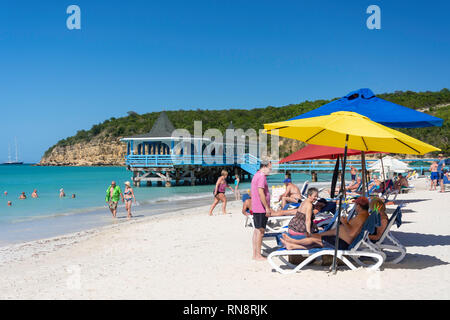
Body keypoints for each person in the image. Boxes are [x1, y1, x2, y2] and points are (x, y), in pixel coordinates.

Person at [281, 196, 370, 251]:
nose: (355, 207)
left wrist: (345, 222)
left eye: (355, 205)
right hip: (339, 239)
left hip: (341, 243)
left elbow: (352, 233)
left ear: (359, 206)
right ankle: (292, 246)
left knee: (313, 240)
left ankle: (293, 241)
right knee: (315, 243)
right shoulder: (361, 216)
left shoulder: (361, 218)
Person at [250, 161, 272, 260]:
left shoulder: (256, 175)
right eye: (270, 168)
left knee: (256, 230)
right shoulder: (262, 176)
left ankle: (255, 254)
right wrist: (267, 207)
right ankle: (258, 255)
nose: (270, 171)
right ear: (264, 166)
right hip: (261, 208)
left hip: (256, 207)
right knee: (260, 231)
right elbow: (261, 193)